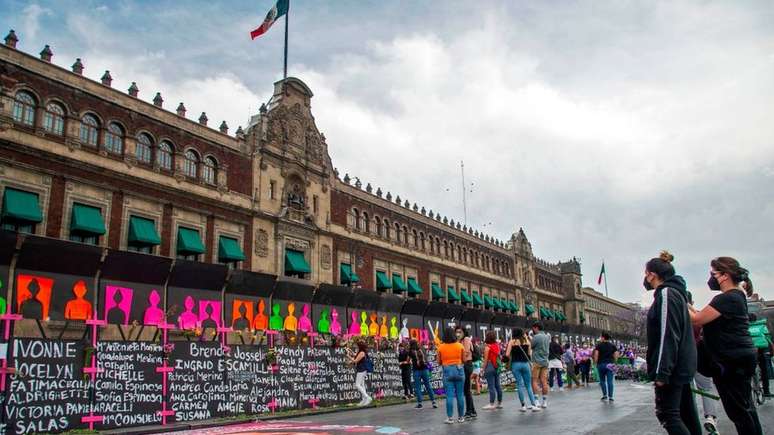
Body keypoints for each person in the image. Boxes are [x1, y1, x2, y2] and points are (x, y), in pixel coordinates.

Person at [689, 257, 763, 435]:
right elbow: (701, 314)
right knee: (745, 408)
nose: (711, 278)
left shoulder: (727, 298)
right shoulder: (736, 296)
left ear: (724, 276)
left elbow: (698, 319)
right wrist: (688, 305)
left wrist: (676, 299)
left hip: (731, 361)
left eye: (713, 273)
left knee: (739, 412)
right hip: (739, 358)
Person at [644, 251, 701, 435]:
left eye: (645, 273)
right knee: (686, 415)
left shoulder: (667, 294)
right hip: (680, 365)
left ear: (652, 274)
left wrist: (662, 372)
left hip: (673, 368)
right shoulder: (676, 293)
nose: (644, 278)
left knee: (668, 415)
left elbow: (668, 335)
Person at [505, 328, 540, 412]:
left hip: (515, 364)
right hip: (525, 364)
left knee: (519, 384)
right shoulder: (526, 341)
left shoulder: (512, 342)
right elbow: (529, 354)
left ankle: (523, 406)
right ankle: (533, 405)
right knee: (528, 385)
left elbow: (507, 354)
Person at [437, 327, 466, 424]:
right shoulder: (460, 346)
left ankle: (450, 418)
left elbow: (438, 362)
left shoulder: (441, 347)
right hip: (459, 370)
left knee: (449, 396)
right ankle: (461, 417)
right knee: (460, 395)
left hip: (447, 371)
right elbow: (464, 360)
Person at [455, 326, 477, 420]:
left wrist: (458, 357)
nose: (458, 334)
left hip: (467, 364)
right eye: (456, 332)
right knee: (466, 390)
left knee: (466, 389)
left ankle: (469, 411)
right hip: (463, 364)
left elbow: (467, 352)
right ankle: (472, 411)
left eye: (460, 332)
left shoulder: (466, 339)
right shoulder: (458, 341)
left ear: (464, 332)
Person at [408, 339, 437, 409]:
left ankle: (420, 403)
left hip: (416, 370)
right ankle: (433, 402)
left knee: (418, 387)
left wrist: (412, 361)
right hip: (425, 369)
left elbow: (408, 360)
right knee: (428, 386)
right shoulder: (422, 348)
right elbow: (426, 357)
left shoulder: (410, 351)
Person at [593, 333, 619, 402]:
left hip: (601, 364)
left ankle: (604, 395)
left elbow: (596, 354)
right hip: (610, 365)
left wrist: (595, 363)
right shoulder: (612, 345)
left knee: (602, 381)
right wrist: (615, 362)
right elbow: (616, 354)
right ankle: (611, 396)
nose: (601, 338)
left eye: (601, 337)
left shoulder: (599, 345)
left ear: (603, 338)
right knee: (610, 381)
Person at [530, 322, 550, 408]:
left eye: (533, 328)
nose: (533, 330)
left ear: (536, 328)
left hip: (536, 361)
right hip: (545, 361)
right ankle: (545, 401)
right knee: (544, 381)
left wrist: (530, 338)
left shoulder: (536, 337)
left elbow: (531, 346)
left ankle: (537, 401)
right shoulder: (547, 337)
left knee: (534, 381)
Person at [482, 330, 503, 410]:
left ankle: (491, 403)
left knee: (491, 386)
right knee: (498, 385)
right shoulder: (497, 346)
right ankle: (500, 402)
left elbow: (486, 360)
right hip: (496, 366)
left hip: (490, 366)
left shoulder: (487, 347)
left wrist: (483, 369)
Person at [347, 340, 372, 407]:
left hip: (362, 370)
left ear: (360, 346)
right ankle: (364, 399)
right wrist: (350, 352)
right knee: (362, 384)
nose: (356, 347)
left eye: (357, 346)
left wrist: (348, 357)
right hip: (361, 369)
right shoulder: (360, 352)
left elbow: (355, 360)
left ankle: (367, 397)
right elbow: (355, 355)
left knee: (357, 385)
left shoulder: (362, 353)